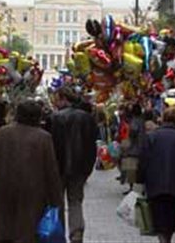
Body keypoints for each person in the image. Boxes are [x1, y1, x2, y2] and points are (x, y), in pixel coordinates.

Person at [0, 100, 63, 243]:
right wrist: (56, 199)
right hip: (34, 191)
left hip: (5, 188)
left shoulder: (4, 132)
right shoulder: (44, 137)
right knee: (28, 229)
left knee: (5, 227)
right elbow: (51, 169)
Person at [48, 86, 97, 243]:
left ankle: (59, 232)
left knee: (58, 202)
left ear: (63, 98)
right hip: (79, 167)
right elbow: (91, 145)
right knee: (76, 201)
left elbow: (51, 145)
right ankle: (76, 234)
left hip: (59, 167)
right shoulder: (87, 118)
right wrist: (88, 168)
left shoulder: (55, 118)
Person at [139, 107, 175, 243]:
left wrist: (140, 179)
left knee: (159, 220)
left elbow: (143, 160)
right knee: (171, 220)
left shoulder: (152, 136)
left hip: (155, 184)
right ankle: (167, 239)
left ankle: (164, 240)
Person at [120, 102, 145, 195]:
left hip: (133, 148)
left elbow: (132, 133)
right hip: (141, 147)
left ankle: (132, 188)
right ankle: (139, 188)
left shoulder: (134, 121)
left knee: (131, 168)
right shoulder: (142, 120)